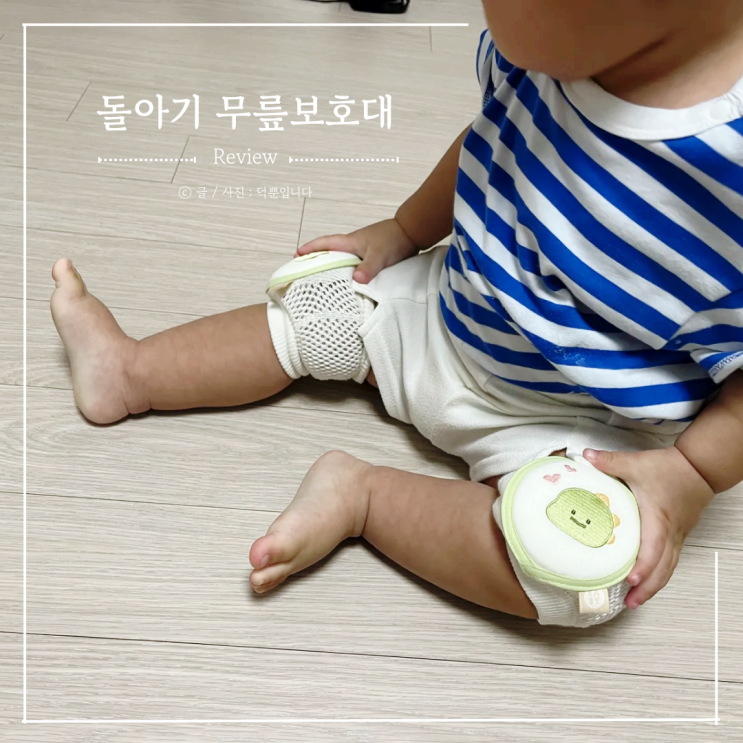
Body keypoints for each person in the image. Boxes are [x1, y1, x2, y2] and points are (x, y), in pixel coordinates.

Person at [50, 0, 743, 627]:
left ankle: (363, 497)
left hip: (577, 422)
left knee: (582, 576)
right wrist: (404, 229)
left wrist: (691, 472)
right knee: (319, 301)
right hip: (445, 309)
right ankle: (129, 370)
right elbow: (489, 139)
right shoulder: (560, 48)